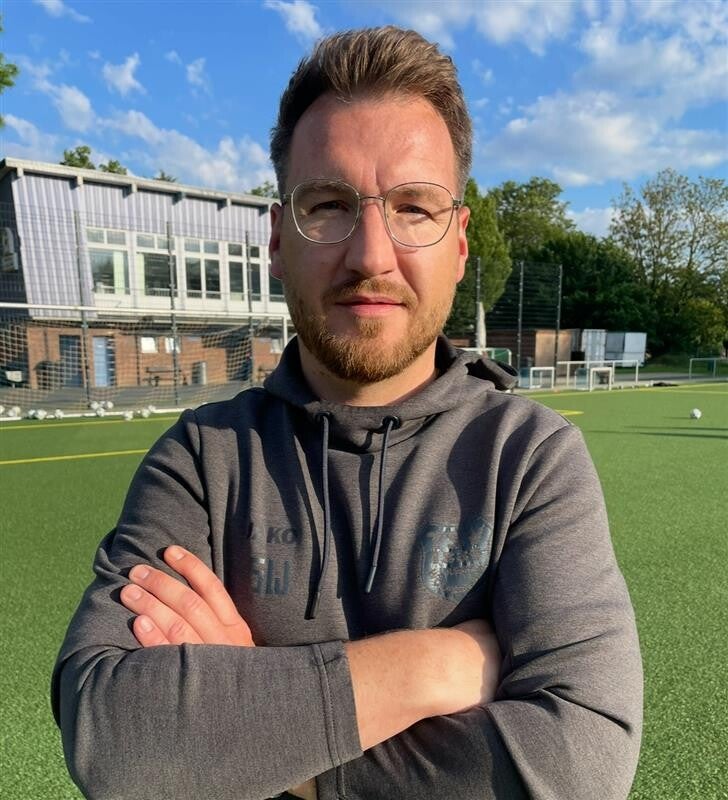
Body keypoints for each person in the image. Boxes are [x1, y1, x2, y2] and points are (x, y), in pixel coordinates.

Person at [53, 26, 642, 800]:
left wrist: (268, 739)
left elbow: (580, 764)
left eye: (414, 207)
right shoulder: (203, 459)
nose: (370, 254)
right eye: (328, 205)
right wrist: (430, 668)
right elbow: (112, 737)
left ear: (459, 244)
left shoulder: (528, 458)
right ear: (276, 239)